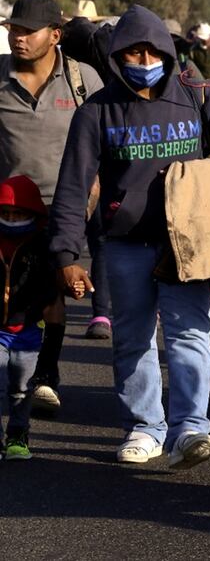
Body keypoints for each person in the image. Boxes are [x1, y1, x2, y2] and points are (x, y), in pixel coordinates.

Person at [48, 4, 210, 468]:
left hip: (186, 244)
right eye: (133, 53)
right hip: (124, 245)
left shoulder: (198, 96)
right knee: (132, 338)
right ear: (118, 55)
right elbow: (72, 186)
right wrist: (66, 253)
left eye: (151, 51)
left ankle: (190, 429)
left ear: (166, 50)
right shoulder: (96, 113)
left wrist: (205, 175)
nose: (143, 62)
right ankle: (144, 428)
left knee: (190, 336)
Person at [1, 0, 106, 412]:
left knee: (52, 292)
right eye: (14, 30)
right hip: (8, 209)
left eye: (29, 31)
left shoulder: (85, 81)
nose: (19, 39)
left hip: (66, 207)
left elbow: (104, 145)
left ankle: (46, 373)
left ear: (56, 35)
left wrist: (91, 197)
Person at [0, 175, 58, 460]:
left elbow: (52, 286)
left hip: (28, 332)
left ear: (33, 214)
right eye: (6, 214)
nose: (11, 219)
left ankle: (18, 436)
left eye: (18, 213)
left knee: (21, 390)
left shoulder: (41, 246)